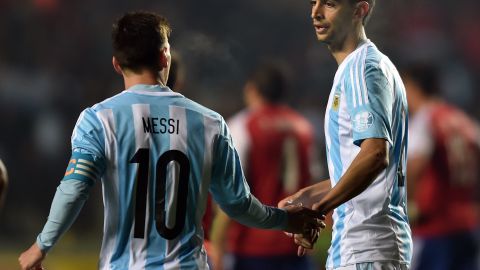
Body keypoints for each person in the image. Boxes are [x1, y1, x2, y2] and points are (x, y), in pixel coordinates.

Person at [18, 11, 323, 270]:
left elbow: (74, 189)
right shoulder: (209, 123)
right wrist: (287, 221)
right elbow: (239, 206)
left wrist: (41, 245)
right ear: (165, 56)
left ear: (116, 63)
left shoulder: (99, 120)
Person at [278, 0, 412, 269]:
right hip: (365, 249)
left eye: (329, 4)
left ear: (359, 10)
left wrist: (319, 211)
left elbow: (375, 154)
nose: (315, 12)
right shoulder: (362, 67)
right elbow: (367, 168)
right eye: (313, 3)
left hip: (366, 248)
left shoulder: (363, 69)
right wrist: (310, 194)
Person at [210, 64, 319, 270]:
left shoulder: (243, 126)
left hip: (251, 249)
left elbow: (231, 193)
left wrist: (218, 245)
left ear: (252, 89)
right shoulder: (303, 127)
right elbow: (313, 185)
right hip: (296, 247)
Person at [402, 63, 480, 270]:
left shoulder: (426, 119)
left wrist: (407, 205)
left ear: (413, 87)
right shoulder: (462, 119)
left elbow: (414, 165)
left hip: (434, 227)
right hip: (466, 223)